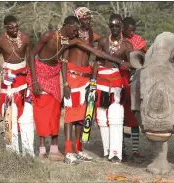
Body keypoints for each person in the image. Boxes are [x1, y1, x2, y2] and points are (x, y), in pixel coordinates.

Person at [28, 15, 130, 161]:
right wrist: (40, 81)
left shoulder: (71, 40)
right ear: (67, 26)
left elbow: (97, 53)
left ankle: (76, 149)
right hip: (55, 76)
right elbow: (35, 55)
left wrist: (120, 61)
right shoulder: (50, 36)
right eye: (75, 30)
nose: (76, 33)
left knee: (79, 117)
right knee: (65, 114)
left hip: (76, 78)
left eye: (79, 31)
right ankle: (66, 151)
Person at [61, 7, 122, 164]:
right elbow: (64, 59)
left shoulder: (90, 33)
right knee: (70, 116)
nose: (88, 21)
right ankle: (68, 152)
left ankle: (78, 149)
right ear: (78, 19)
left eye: (89, 18)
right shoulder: (71, 35)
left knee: (82, 117)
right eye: (85, 18)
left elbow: (102, 41)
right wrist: (65, 83)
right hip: (73, 77)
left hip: (86, 77)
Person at [91, 13, 133, 164]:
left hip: (116, 83)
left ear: (121, 26)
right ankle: (107, 150)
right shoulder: (103, 41)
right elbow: (97, 62)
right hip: (101, 82)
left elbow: (131, 64)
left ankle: (116, 153)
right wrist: (93, 82)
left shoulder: (127, 45)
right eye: (112, 26)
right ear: (109, 26)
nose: (114, 28)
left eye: (117, 26)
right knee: (102, 118)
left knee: (116, 116)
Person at [0, 15, 34, 157]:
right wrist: (3, 73)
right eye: (11, 27)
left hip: (23, 76)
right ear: (5, 28)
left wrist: (30, 78)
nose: (15, 29)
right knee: (9, 113)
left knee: (27, 115)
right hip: (8, 78)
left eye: (17, 26)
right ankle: (13, 152)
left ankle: (29, 151)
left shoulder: (26, 38)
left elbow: (30, 59)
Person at [122, 16, 147, 158]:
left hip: (134, 79)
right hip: (121, 77)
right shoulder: (118, 40)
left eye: (134, 31)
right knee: (119, 116)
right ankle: (121, 147)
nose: (132, 33)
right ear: (123, 28)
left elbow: (148, 53)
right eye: (129, 30)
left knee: (134, 115)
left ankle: (135, 149)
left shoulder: (138, 40)